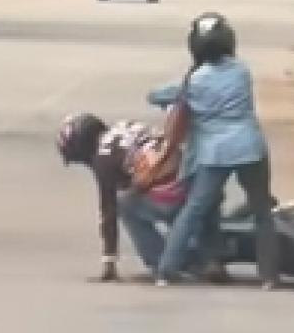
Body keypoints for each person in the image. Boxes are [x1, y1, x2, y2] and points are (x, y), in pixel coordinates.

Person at [153, 12, 280, 288]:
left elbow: (161, 95)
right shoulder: (241, 71)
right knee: (262, 212)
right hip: (250, 147)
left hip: (214, 154)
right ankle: (269, 276)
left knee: (194, 209)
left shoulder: (195, 80)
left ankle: (166, 270)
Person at [55, 113, 226, 283]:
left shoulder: (102, 157)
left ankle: (160, 260)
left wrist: (109, 260)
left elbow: (108, 212)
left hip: (172, 197)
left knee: (124, 203)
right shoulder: (126, 126)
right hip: (198, 184)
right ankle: (208, 257)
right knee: (148, 190)